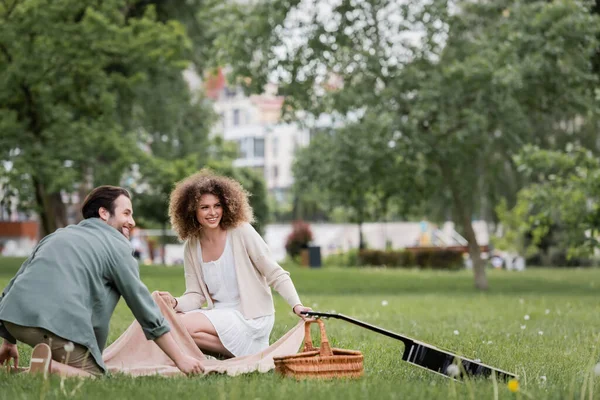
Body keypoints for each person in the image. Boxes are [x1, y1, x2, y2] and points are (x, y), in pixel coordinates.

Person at [0, 186, 203, 377]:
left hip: (13, 319)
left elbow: (14, 283)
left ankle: (34, 369)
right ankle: (49, 367)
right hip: (52, 328)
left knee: (75, 362)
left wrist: (8, 341)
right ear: (104, 213)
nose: (132, 221)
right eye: (126, 213)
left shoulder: (56, 235)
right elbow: (144, 308)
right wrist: (180, 358)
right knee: (94, 375)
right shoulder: (118, 247)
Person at [158, 170, 311, 359]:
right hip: (221, 314)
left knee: (181, 325)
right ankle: (245, 354)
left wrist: (297, 305)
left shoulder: (242, 232)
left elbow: (275, 273)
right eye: (204, 207)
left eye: (217, 205)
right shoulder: (191, 245)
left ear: (227, 206)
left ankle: (244, 349)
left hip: (252, 317)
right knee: (174, 322)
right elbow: (195, 295)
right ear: (191, 210)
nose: (212, 212)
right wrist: (174, 302)